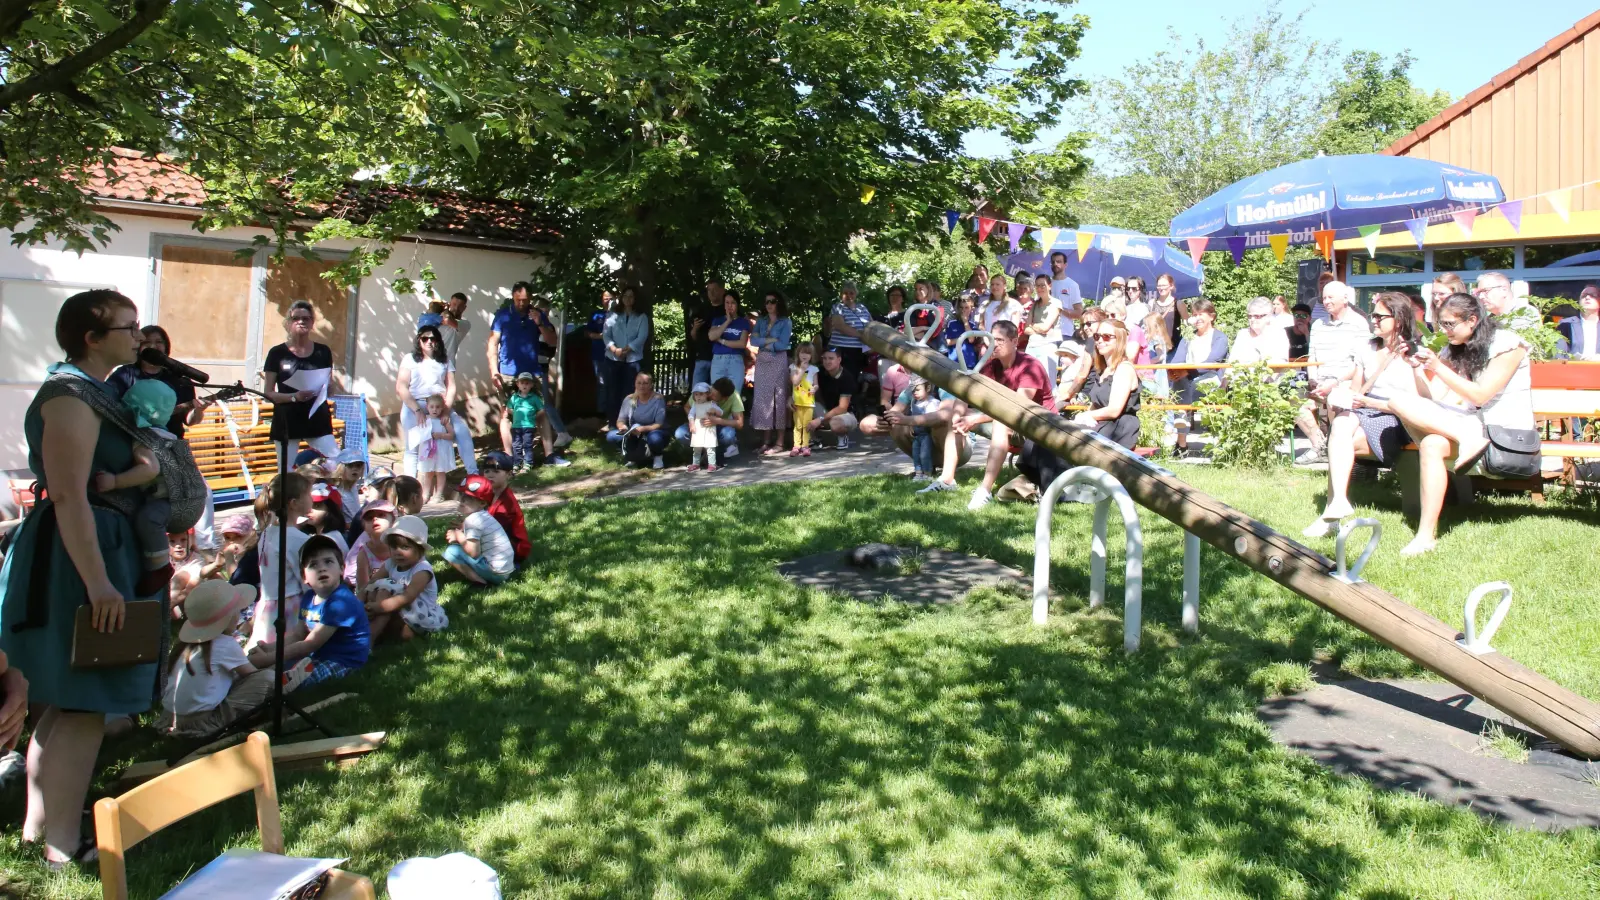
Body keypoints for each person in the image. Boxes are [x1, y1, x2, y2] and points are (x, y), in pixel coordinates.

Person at [0, 290, 152, 864]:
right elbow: (67, 495)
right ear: (92, 337)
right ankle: (63, 845)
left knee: (66, 703)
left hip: (88, 548)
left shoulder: (90, 392)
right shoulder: (68, 397)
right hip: (75, 558)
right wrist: (100, 584)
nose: (137, 336)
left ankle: (41, 832)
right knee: (87, 698)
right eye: (127, 326)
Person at [1385, 292, 1533, 556]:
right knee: (1414, 422)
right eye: (1441, 324)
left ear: (1472, 320)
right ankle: (1425, 536)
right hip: (1472, 430)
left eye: (1449, 324)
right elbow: (1430, 399)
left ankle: (1469, 440)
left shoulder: (1508, 344)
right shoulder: (1455, 347)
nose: (1444, 330)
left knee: (1427, 434)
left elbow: (1480, 395)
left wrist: (1439, 367)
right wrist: (1417, 368)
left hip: (1505, 436)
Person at [1303, 292, 1425, 539]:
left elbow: (1418, 403)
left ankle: (1332, 514)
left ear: (1399, 319)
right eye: (1373, 315)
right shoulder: (1367, 348)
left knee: (1340, 437)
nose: (1374, 321)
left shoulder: (1414, 353)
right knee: (1342, 424)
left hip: (1396, 419)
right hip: (1364, 415)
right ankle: (1336, 504)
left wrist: (1367, 401)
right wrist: (1338, 394)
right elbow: (1357, 391)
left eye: (1380, 316)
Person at [107, 325, 218, 553]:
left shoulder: (178, 379)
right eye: (148, 342)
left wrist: (198, 410)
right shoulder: (125, 375)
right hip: (136, 444)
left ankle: (205, 545)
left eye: (159, 342)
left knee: (202, 492)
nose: (154, 346)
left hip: (170, 447)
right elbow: (113, 409)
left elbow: (190, 419)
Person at [955, 321, 1055, 510]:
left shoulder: (1030, 366)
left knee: (1001, 423)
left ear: (1015, 341)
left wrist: (975, 418)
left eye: (1000, 340)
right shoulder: (991, 366)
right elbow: (967, 391)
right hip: (1011, 422)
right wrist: (958, 413)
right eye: (991, 340)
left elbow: (1015, 407)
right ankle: (947, 478)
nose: (995, 344)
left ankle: (984, 490)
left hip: (1039, 428)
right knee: (950, 414)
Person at [249, 535, 369, 691]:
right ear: (304, 577)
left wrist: (267, 659)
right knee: (278, 670)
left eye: (328, 561)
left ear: (341, 568)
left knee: (290, 682)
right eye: (313, 565)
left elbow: (310, 643)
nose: (321, 568)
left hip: (344, 661)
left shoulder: (341, 602)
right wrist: (269, 648)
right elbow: (298, 635)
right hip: (318, 656)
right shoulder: (308, 598)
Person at [99, 378, 179, 597]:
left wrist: (115, 481)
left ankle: (160, 567)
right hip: (175, 496)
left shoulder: (145, 437)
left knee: (148, 519)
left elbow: (149, 469)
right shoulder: (166, 434)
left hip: (166, 499)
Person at [163, 581, 273, 739]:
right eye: (237, 611)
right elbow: (253, 676)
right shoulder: (225, 644)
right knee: (267, 678)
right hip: (202, 723)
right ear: (228, 618)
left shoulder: (184, 645)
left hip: (170, 719)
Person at [1294, 281, 1372, 464]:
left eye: (1331, 297)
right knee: (1293, 401)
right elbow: (1311, 355)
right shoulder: (1319, 324)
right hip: (1319, 381)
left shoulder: (1359, 323)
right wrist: (1312, 378)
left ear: (1345, 299)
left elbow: (1359, 363)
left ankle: (1332, 447)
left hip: (1345, 382)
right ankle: (1320, 446)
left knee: (1334, 398)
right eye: (1324, 297)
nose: (1326, 301)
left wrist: (1334, 382)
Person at [489, 283, 570, 457]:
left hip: (533, 372)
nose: (521, 304)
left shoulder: (538, 314)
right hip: (507, 372)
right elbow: (493, 343)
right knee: (506, 414)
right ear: (513, 297)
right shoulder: (502, 316)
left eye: (525, 300)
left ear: (531, 298)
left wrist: (539, 323)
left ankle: (549, 455)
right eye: (518, 300)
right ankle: (509, 456)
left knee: (541, 413)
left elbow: (552, 341)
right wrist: (493, 369)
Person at [396, 324, 479, 478]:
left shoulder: (445, 360)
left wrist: (446, 410)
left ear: (438, 341)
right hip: (415, 404)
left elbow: (452, 386)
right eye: (425, 338)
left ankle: (474, 476)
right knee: (412, 445)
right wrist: (417, 410)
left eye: (433, 338)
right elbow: (401, 387)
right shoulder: (409, 359)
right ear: (419, 341)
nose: (429, 341)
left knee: (462, 432)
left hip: (440, 405)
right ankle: (409, 485)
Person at [262, 300, 339, 460]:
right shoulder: (277, 353)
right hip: (287, 420)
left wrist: (330, 387)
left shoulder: (323, 352)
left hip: (317, 418)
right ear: (288, 323)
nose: (301, 322)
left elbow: (329, 384)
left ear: (312, 323)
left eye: (306, 318)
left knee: (336, 464)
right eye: (296, 318)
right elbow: (268, 393)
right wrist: (293, 396)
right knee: (287, 474)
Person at [247, 472, 313, 650]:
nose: (312, 498)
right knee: (283, 654)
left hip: (267, 605)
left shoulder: (268, 531)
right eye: (308, 493)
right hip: (289, 606)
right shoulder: (296, 538)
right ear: (294, 503)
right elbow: (308, 581)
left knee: (262, 651)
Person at [363, 514, 447, 642]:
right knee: (375, 588)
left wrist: (379, 607)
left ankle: (369, 639)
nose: (398, 552)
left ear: (420, 549)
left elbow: (407, 597)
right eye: (394, 547)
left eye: (405, 547)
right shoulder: (391, 563)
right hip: (398, 609)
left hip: (421, 616)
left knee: (386, 587)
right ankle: (377, 630)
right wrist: (361, 600)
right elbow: (372, 582)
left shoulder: (422, 570)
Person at [1170, 299, 1230, 456]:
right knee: (1179, 384)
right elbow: (1177, 361)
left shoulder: (1219, 337)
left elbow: (1212, 362)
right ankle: (1182, 443)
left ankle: (1181, 443)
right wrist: (1176, 372)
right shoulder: (1188, 337)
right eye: (1194, 314)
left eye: (1200, 314)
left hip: (1210, 380)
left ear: (1211, 316)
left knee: (1181, 390)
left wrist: (1188, 372)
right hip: (1187, 380)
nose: (1197, 318)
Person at [1073, 319, 1142, 449]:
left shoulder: (1124, 368)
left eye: (1106, 337)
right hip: (1102, 424)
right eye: (1097, 336)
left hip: (1118, 428)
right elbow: (1095, 405)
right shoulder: (1103, 371)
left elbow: (1114, 410)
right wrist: (1083, 418)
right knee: (1053, 435)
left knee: (1067, 439)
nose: (1100, 340)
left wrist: (1086, 415)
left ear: (1120, 340)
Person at [443, 477, 517, 584]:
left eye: (469, 497)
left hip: (496, 573)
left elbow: (474, 553)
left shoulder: (473, 520)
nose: (462, 500)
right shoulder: (482, 516)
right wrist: (463, 528)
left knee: (452, 552)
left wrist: (457, 536)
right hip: (505, 569)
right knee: (459, 548)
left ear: (482, 503)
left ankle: (480, 582)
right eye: (462, 495)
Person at [749, 292, 794, 455]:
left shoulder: (786, 321)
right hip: (762, 363)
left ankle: (780, 443)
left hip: (778, 361)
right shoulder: (761, 321)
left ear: (779, 303)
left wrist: (766, 343)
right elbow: (753, 341)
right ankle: (766, 442)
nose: (769, 304)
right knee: (763, 399)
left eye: (773, 301)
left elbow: (783, 344)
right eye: (767, 301)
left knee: (780, 399)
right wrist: (770, 341)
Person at [601, 286, 651, 424]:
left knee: (630, 393)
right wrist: (615, 349)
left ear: (635, 299)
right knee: (612, 392)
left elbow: (642, 336)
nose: (628, 299)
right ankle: (612, 422)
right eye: (625, 296)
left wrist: (627, 350)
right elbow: (606, 335)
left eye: (631, 296)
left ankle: (628, 422)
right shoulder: (612, 315)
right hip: (612, 358)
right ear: (621, 298)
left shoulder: (641, 316)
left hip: (633, 360)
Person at [474, 452, 533, 565]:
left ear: (509, 474)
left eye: (496, 471)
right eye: (487, 471)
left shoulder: (507, 503)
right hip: (497, 544)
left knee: (456, 552)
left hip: (513, 551)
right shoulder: (489, 495)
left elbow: (494, 531)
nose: (490, 475)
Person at [607, 372, 668, 468]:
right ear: (635, 384)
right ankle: (632, 456)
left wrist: (642, 429)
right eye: (639, 383)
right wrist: (622, 427)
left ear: (651, 385)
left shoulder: (658, 399)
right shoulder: (629, 399)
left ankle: (658, 456)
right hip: (634, 431)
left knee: (655, 439)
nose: (641, 386)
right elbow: (620, 420)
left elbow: (659, 424)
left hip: (654, 431)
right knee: (611, 436)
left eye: (645, 383)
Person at [408, 393, 456, 502]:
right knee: (428, 472)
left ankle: (439, 494)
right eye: (432, 407)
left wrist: (441, 435)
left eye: (438, 407)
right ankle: (425, 494)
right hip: (428, 451)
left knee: (440, 471)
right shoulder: (425, 419)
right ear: (427, 407)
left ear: (442, 408)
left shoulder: (444, 420)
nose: (435, 410)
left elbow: (452, 435)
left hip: (441, 450)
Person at [344, 499, 396, 594]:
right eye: (369, 518)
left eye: (381, 515)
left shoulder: (398, 547)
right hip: (371, 597)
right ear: (364, 527)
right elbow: (363, 587)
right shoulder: (364, 553)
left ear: (393, 521)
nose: (374, 519)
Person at [812, 349, 859, 450]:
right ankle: (813, 439)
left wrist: (820, 419)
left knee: (835, 423)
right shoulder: (819, 372)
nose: (827, 361)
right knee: (801, 405)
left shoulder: (847, 378)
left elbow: (843, 408)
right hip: (826, 409)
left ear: (839, 360)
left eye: (831, 358)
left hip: (847, 413)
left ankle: (842, 437)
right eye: (824, 358)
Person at [824, 282, 873, 377]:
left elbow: (872, 325)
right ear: (841, 294)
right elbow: (840, 326)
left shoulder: (862, 308)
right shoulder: (838, 307)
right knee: (839, 378)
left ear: (855, 294)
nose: (848, 295)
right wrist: (861, 335)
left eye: (851, 293)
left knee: (853, 379)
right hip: (840, 350)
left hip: (858, 350)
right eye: (845, 293)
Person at [1227, 297, 1291, 368]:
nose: (1252, 319)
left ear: (1269, 316)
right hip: (1242, 376)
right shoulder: (1242, 334)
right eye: (1250, 316)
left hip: (1270, 376)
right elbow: (1232, 362)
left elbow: (1280, 364)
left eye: (1257, 316)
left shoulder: (1279, 334)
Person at [1027, 272, 1062, 388]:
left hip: (1048, 345)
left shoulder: (1056, 303)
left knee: (1048, 380)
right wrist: (1038, 328)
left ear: (1049, 286)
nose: (1040, 288)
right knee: (1029, 378)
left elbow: (1045, 327)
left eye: (1043, 285)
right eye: (1037, 285)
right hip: (1032, 344)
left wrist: (1033, 325)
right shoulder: (1035, 304)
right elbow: (1026, 329)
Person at [904, 376, 943, 480]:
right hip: (916, 435)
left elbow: (931, 419)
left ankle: (927, 473)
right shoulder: (914, 402)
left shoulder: (932, 403)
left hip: (926, 434)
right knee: (916, 454)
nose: (914, 393)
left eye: (917, 390)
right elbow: (912, 416)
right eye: (912, 391)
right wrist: (911, 425)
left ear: (928, 388)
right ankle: (918, 473)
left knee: (924, 454)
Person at [505, 371, 545, 472]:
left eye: (527, 383)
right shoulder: (514, 397)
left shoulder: (534, 398)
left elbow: (542, 409)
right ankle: (517, 463)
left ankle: (528, 463)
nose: (524, 385)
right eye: (522, 383)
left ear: (531, 385)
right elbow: (509, 408)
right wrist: (516, 414)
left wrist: (535, 416)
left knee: (527, 445)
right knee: (516, 445)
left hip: (529, 426)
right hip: (516, 426)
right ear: (518, 384)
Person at [688, 278, 724, 388]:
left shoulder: (727, 310)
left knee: (716, 393)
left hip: (720, 358)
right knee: (697, 392)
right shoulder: (701, 310)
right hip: (702, 358)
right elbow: (694, 337)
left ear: (722, 290)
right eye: (709, 290)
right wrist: (695, 329)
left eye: (715, 289)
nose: (711, 293)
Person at [1474, 271, 1540, 330]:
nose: (1481, 296)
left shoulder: (1525, 313)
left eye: (1485, 291)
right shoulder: (1489, 320)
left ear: (1504, 290)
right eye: (1479, 293)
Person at [684, 383, 722, 472]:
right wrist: (692, 424)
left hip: (709, 429)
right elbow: (691, 415)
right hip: (698, 427)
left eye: (701, 394)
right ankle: (695, 464)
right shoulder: (695, 405)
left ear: (707, 394)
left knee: (710, 447)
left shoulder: (712, 404)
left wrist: (715, 411)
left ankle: (712, 464)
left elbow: (721, 412)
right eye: (696, 394)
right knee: (697, 447)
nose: (698, 397)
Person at [586, 289, 613, 413]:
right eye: (605, 298)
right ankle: (601, 412)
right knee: (602, 383)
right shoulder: (596, 315)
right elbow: (587, 332)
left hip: (616, 354)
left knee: (615, 382)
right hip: (599, 353)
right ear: (602, 300)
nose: (608, 301)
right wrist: (601, 336)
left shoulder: (620, 315)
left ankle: (615, 410)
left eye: (611, 298)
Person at [1048, 251, 1084, 343]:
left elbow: (1079, 313)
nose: (1055, 264)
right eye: (1053, 262)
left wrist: (1060, 309)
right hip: (1046, 332)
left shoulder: (1072, 285)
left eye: (1059, 261)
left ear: (1065, 265)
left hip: (1064, 333)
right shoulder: (1046, 284)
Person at [789, 344, 819, 457]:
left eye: (808, 353)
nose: (805, 355)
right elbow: (795, 382)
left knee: (807, 424)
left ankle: (806, 445)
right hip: (797, 401)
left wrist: (814, 389)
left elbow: (816, 384)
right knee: (797, 425)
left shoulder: (814, 369)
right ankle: (796, 445)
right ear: (798, 353)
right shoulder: (793, 367)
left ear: (812, 355)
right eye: (802, 352)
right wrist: (801, 369)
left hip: (808, 402)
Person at [1557, 285, 1600, 359]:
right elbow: (1559, 354)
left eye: (1593, 295)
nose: (1587, 298)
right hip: (1574, 368)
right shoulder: (1566, 324)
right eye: (1583, 296)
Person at [438, 292, 472, 362]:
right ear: (450, 303)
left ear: (464, 308)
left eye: (460, 306)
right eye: (454, 304)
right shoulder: (440, 317)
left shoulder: (465, 324)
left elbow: (447, 320)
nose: (456, 308)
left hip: (447, 364)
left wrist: (446, 309)